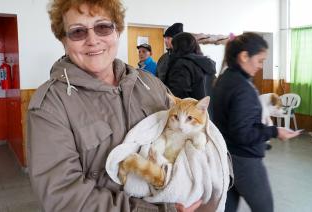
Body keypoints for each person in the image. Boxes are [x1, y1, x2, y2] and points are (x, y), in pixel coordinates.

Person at [27, 0, 201, 211]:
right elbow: (64, 198)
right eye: (78, 32)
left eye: (103, 27)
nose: (93, 40)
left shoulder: (150, 83)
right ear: (63, 40)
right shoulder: (50, 106)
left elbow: (197, 140)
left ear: (117, 31)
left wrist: (205, 182)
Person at [211, 32, 300, 212]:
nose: (260, 66)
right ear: (244, 56)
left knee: (227, 207)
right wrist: (275, 131)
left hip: (225, 157)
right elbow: (244, 133)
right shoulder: (242, 88)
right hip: (245, 161)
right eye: (260, 61)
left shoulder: (224, 79)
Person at [164, 32, 216, 102]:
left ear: (177, 47)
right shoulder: (207, 64)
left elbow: (178, 95)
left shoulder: (181, 64)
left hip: (188, 110)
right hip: (205, 110)